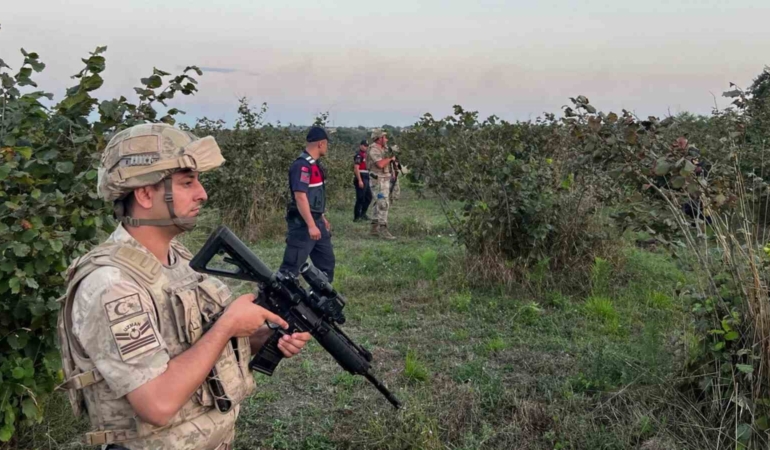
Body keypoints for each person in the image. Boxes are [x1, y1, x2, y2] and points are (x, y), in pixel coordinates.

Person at [56, 124, 312, 450]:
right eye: (187, 183)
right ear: (145, 194)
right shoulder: (112, 285)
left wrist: (263, 338)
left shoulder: (178, 260)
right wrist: (228, 325)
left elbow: (195, 351)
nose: (202, 193)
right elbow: (157, 404)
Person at [278, 126, 336, 281]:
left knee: (326, 265)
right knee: (290, 270)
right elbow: (300, 197)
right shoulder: (302, 166)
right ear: (321, 144)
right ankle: (274, 302)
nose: (327, 147)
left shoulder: (315, 165)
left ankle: (320, 301)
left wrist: (321, 217)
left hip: (317, 222)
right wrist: (311, 225)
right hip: (303, 225)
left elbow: (314, 196)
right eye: (327, 144)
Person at [366, 129, 397, 240]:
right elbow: (380, 164)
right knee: (383, 203)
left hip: (384, 179)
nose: (386, 139)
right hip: (377, 181)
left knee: (377, 203)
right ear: (379, 139)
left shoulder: (385, 148)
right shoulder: (373, 149)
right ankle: (383, 229)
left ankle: (374, 229)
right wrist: (390, 158)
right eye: (384, 137)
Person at [353, 139, 373, 222]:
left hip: (366, 176)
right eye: (364, 145)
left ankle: (363, 214)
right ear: (361, 145)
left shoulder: (366, 155)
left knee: (369, 197)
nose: (366, 147)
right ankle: (357, 217)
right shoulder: (359, 155)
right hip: (361, 176)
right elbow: (356, 168)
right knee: (360, 198)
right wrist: (360, 180)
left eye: (367, 146)